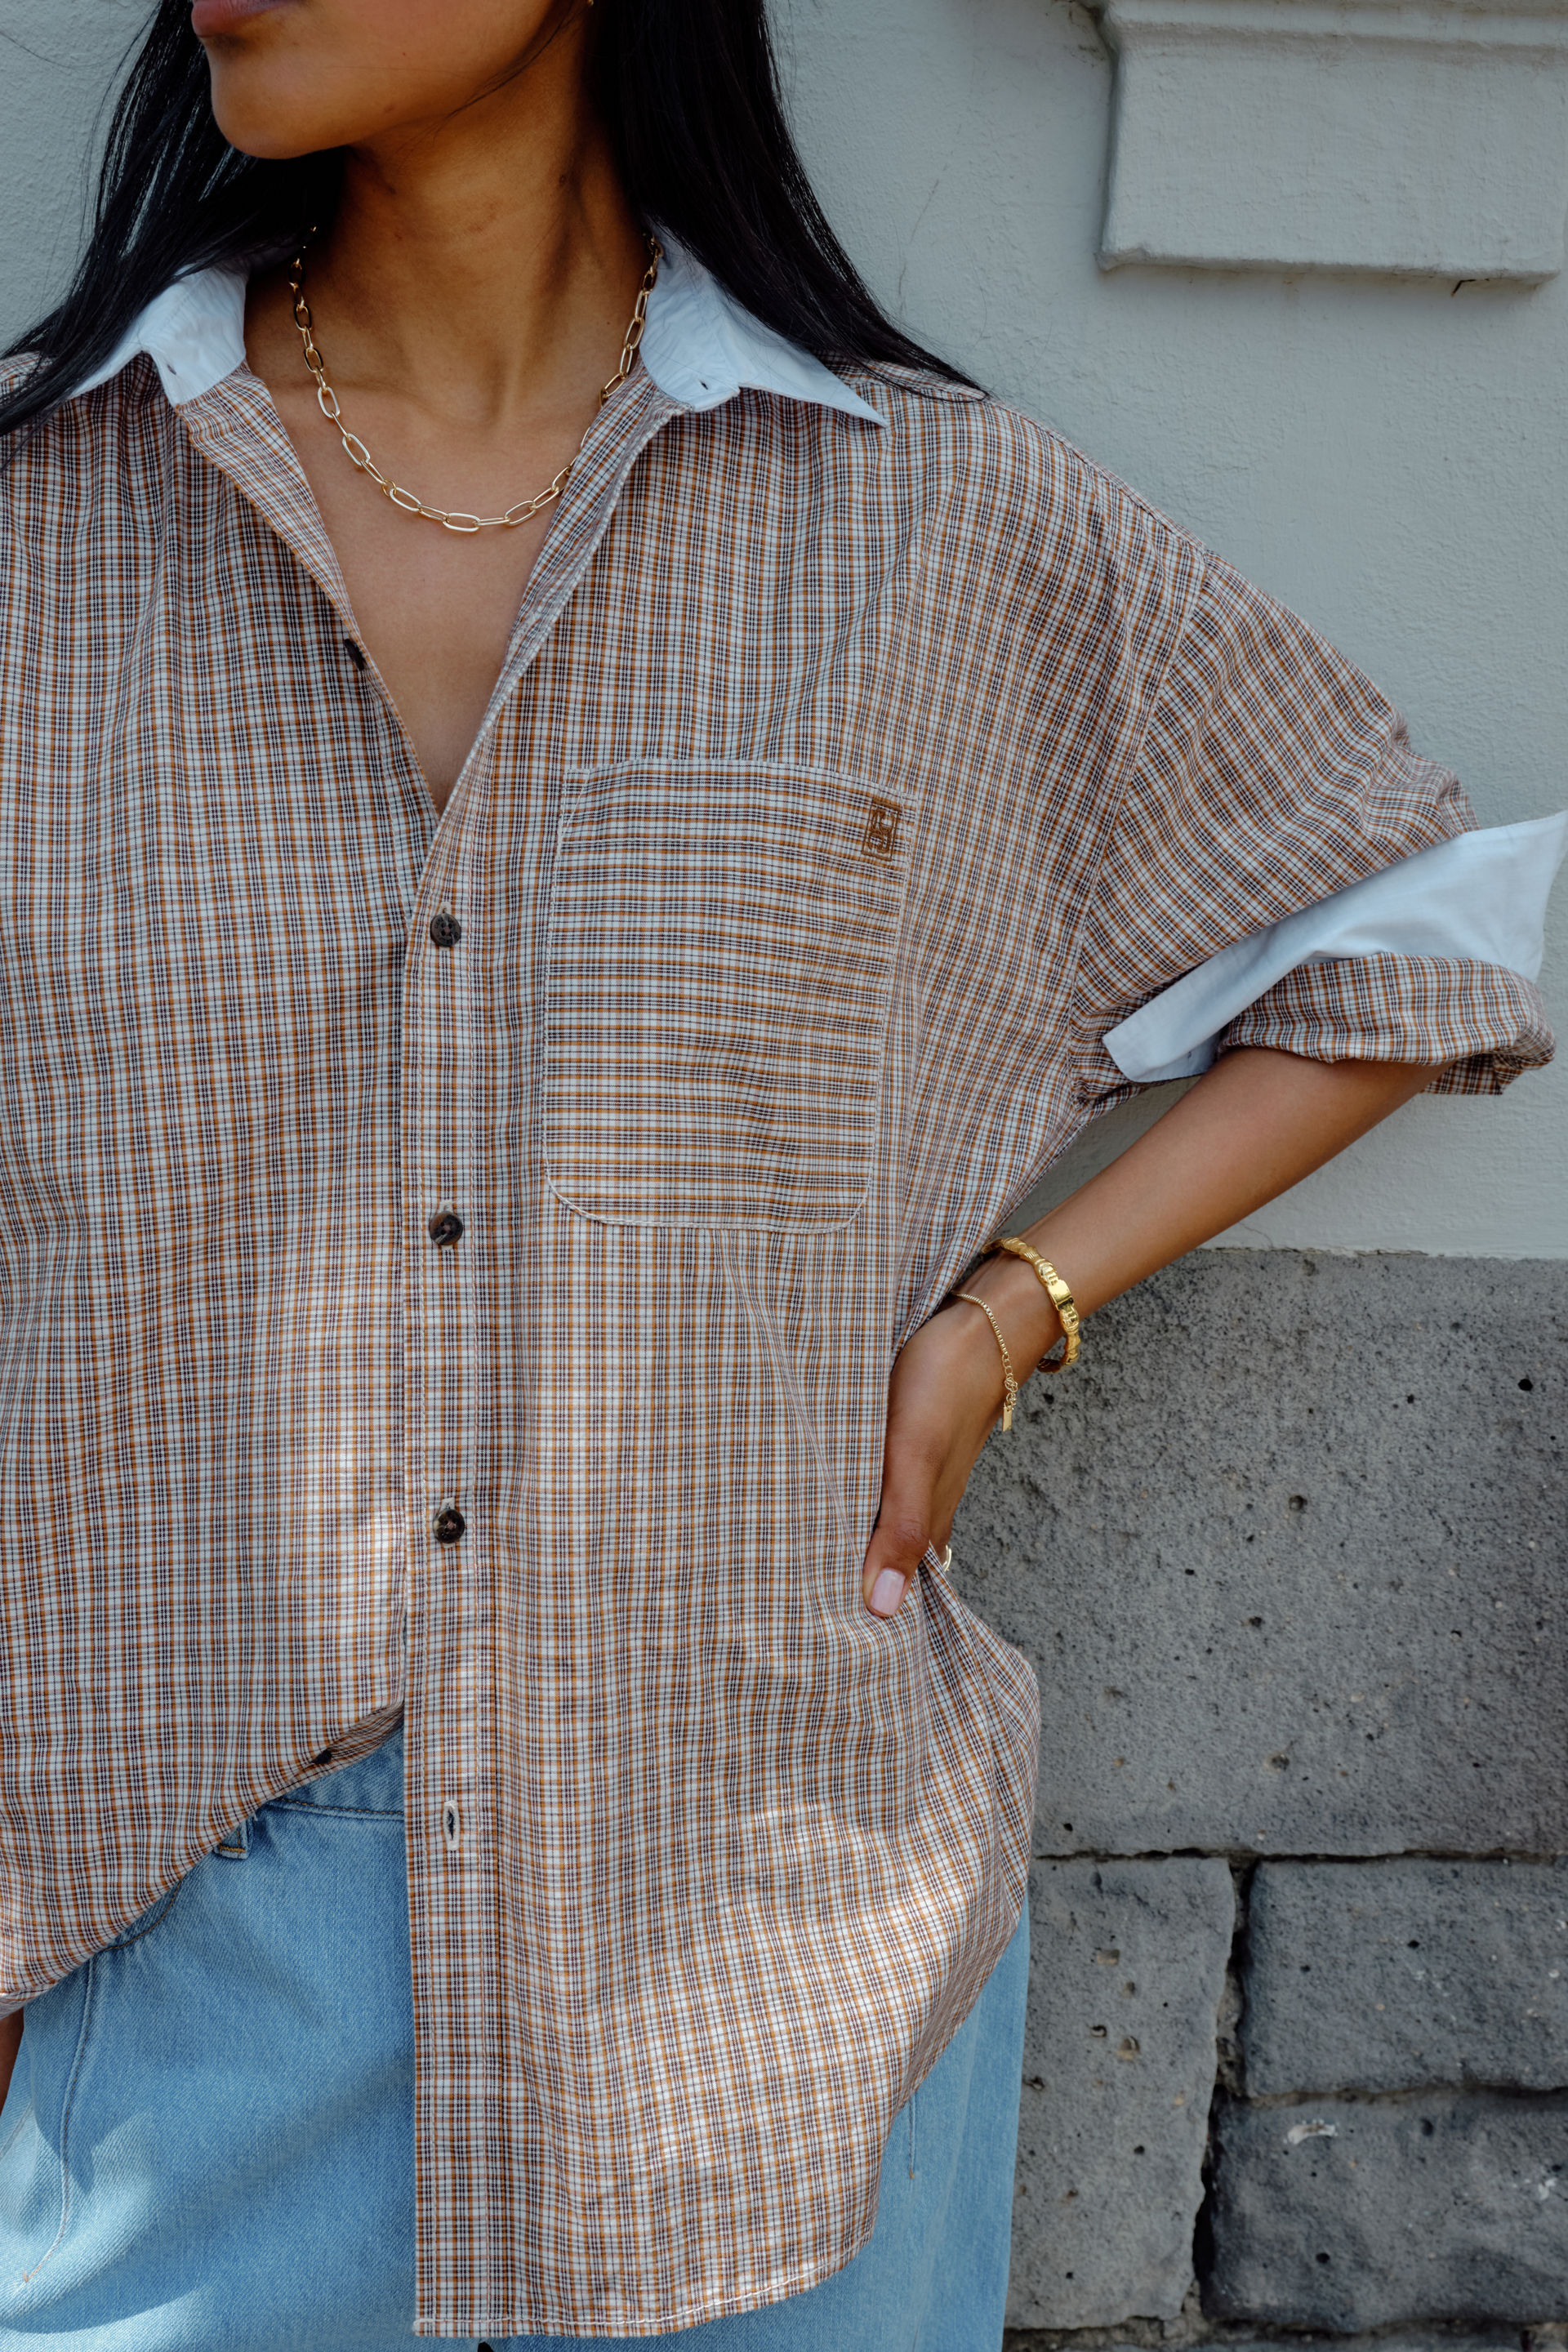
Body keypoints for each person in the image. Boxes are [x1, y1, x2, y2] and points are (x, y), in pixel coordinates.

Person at [0, 0, 1559, 2345]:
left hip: (763, 1970)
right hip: (171, 1946)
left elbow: (1417, 936)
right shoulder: (42, 525)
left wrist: (1007, 1316)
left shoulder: (927, 528)